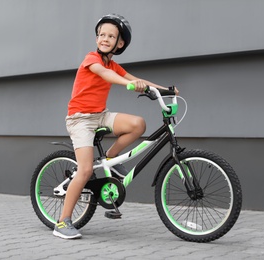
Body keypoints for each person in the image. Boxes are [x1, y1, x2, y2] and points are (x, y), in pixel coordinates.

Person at [53, 14, 177, 239]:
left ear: (120, 43)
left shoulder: (114, 64)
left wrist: (166, 90)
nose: (104, 39)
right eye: (101, 35)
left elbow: (136, 78)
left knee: (138, 124)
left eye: (110, 36)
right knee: (86, 170)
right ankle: (62, 222)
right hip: (80, 119)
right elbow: (106, 75)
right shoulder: (92, 59)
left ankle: (110, 157)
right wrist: (130, 84)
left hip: (100, 115)